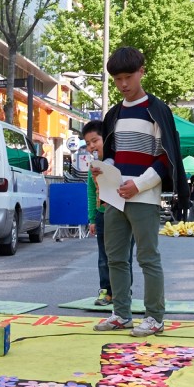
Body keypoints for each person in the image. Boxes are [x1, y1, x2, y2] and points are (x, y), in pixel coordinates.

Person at [91, 46, 191, 337]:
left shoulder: (157, 111)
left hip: (144, 196)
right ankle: (121, 313)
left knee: (148, 257)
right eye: (118, 78)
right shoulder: (113, 114)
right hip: (114, 197)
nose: (123, 84)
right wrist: (104, 167)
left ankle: (155, 317)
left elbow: (166, 157)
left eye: (128, 76)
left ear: (141, 72)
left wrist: (140, 184)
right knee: (115, 258)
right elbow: (113, 153)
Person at [83, 121, 113, 306]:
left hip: (120, 213)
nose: (91, 146)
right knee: (104, 257)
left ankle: (122, 291)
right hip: (102, 215)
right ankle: (105, 292)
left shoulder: (117, 160)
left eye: (95, 140)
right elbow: (90, 192)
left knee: (122, 257)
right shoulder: (92, 166)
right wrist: (92, 218)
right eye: (87, 143)